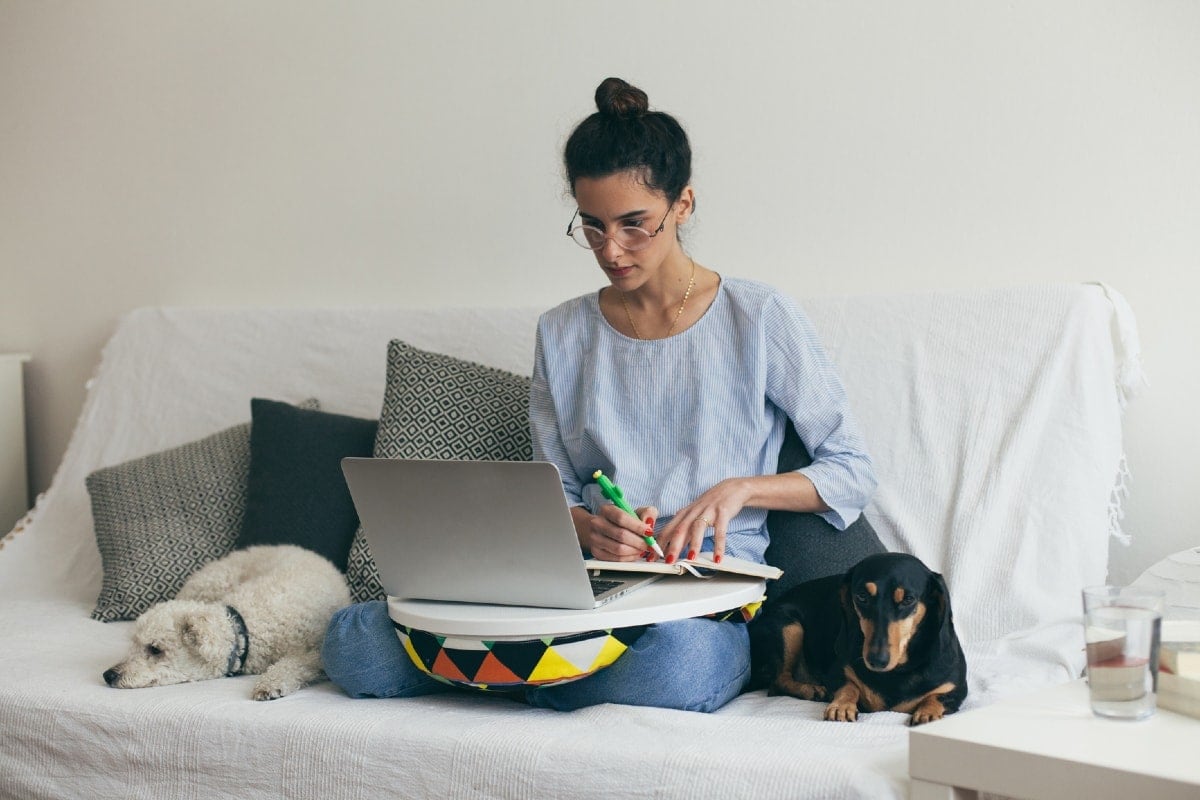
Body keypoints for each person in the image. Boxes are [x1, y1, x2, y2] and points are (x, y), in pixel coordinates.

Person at [321, 77, 877, 713]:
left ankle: (507, 678)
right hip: (587, 590)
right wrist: (588, 528)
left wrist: (742, 489)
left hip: (700, 607)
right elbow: (552, 492)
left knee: (678, 668)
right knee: (353, 642)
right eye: (592, 226)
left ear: (684, 205)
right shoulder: (561, 331)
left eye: (635, 225)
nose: (610, 250)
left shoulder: (760, 316)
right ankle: (550, 679)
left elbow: (851, 471)